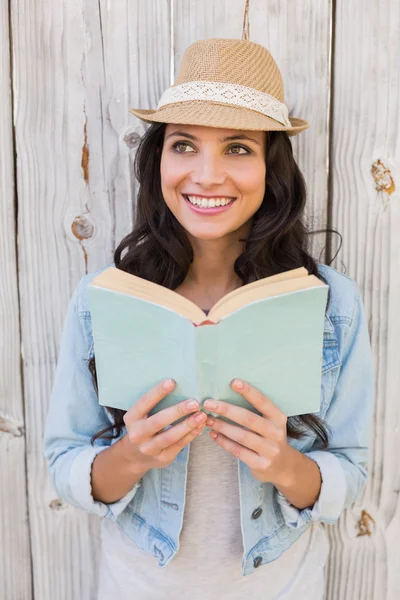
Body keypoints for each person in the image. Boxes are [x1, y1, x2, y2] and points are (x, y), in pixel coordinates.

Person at [43, 38, 374, 600]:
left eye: (238, 148)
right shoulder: (102, 297)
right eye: (185, 145)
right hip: (135, 584)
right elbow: (65, 460)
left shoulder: (331, 303)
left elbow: (351, 471)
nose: (207, 174)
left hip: (282, 586)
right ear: (159, 159)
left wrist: (284, 464)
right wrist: (130, 455)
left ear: (271, 167)